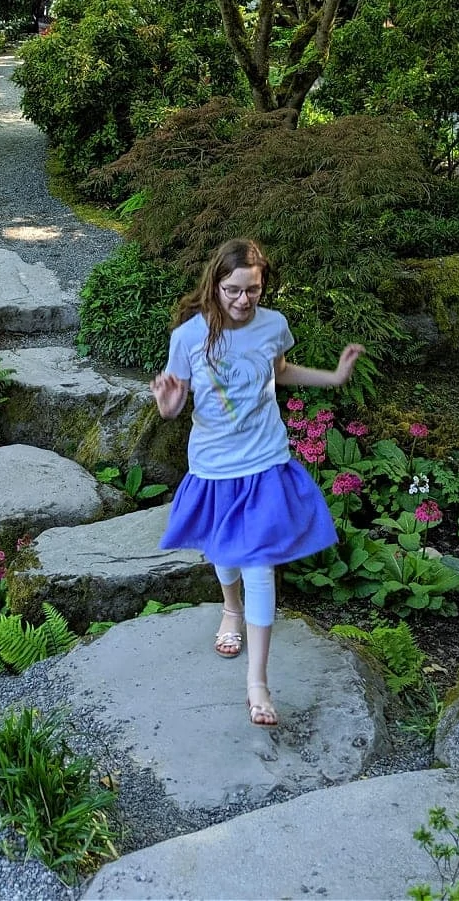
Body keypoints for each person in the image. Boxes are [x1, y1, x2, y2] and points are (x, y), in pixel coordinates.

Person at [150, 238, 364, 728]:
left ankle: (258, 683)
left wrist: (333, 378)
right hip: (215, 465)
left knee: (260, 565)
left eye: (253, 290)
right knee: (224, 551)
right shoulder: (189, 336)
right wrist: (166, 404)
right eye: (233, 290)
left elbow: (280, 372)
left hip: (266, 459)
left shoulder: (274, 326)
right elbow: (176, 404)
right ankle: (230, 609)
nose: (244, 300)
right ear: (214, 286)